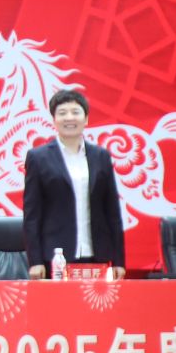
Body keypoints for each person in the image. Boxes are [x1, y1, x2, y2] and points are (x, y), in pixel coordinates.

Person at [21, 88, 126, 277]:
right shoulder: (38, 158)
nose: (69, 118)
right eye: (62, 113)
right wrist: (35, 261)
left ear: (86, 119)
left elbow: (112, 211)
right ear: (54, 120)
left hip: (97, 255)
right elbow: (32, 215)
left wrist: (119, 260)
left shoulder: (101, 156)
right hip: (55, 256)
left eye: (75, 112)